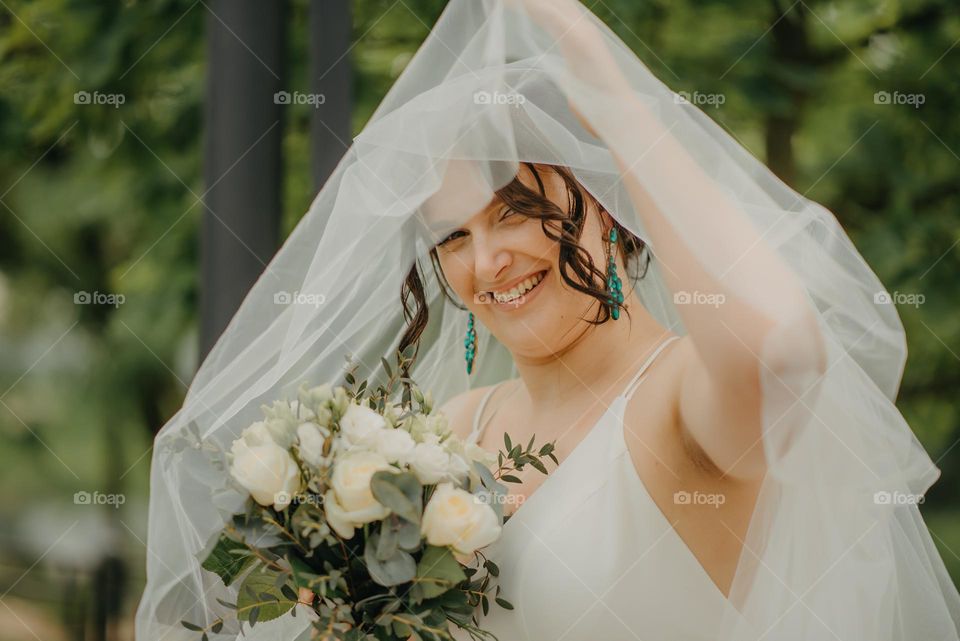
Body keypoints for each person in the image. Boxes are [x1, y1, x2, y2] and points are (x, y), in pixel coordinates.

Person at [135, 1, 960, 639]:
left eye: (515, 211)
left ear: (609, 206)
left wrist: (601, 76)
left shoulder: (681, 403)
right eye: (451, 235)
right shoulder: (442, 437)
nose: (484, 260)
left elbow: (780, 350)